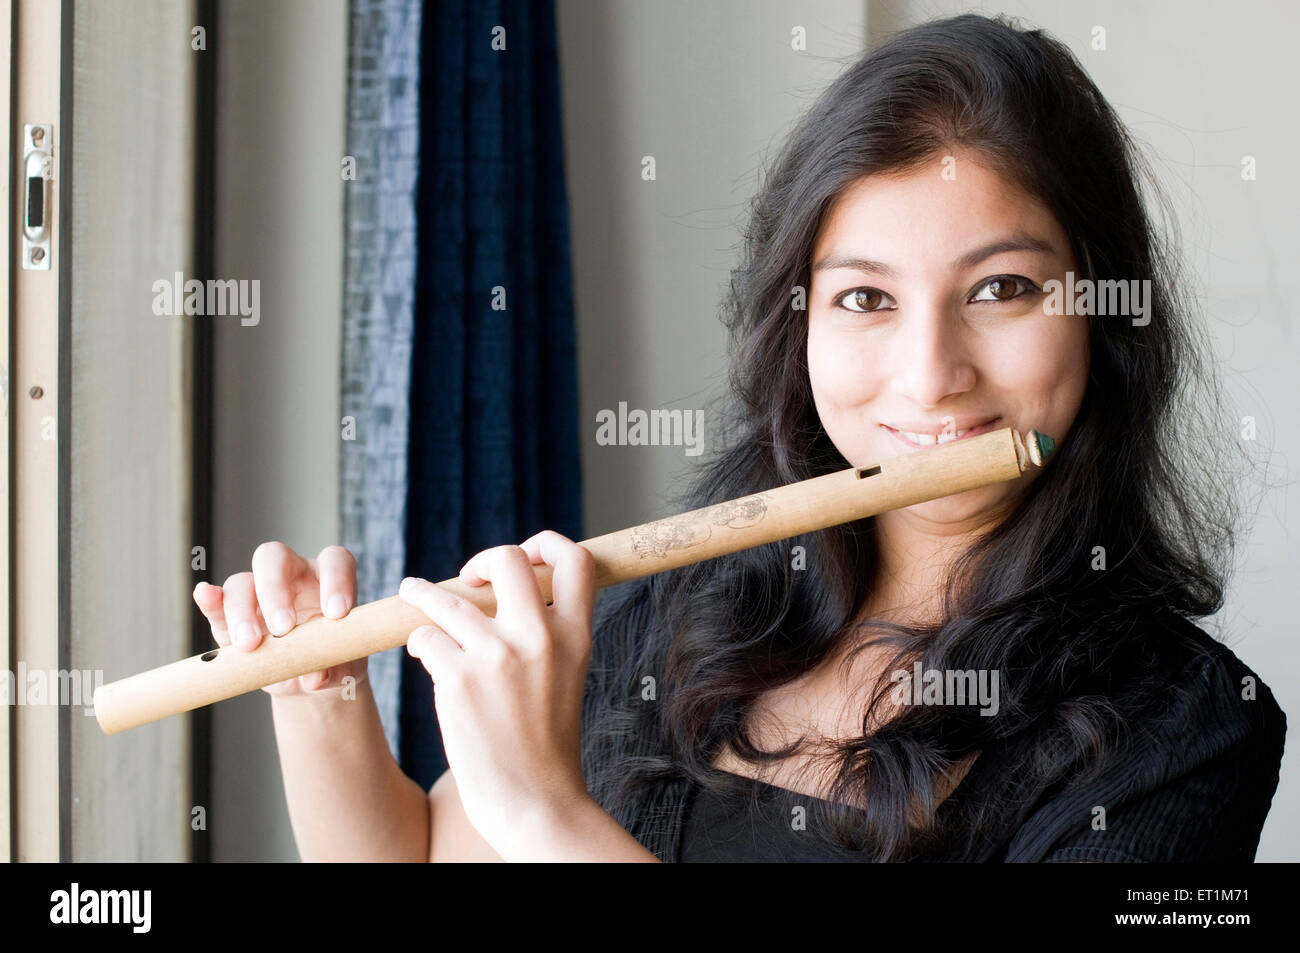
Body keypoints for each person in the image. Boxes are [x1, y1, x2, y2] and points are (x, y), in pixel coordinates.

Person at [193, 13, 1285, 862]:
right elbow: (434, 855)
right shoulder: (684, 604)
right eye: (864, 299)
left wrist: (547, 808)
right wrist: (320, 694)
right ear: (795, 320)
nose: (929, 374)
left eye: (1000, 288)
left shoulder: (1182, 734)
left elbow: (535, 827)